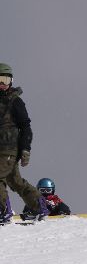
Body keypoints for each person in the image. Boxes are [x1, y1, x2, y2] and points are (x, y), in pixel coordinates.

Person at [0, 63, 48, 225]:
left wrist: (25, 149)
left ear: (11, 81)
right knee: (15, 181)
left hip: (8, 150)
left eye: (5, 80)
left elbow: (25, 127)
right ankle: (39, 206)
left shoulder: (15, 102)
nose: (2, 84)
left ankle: (2, 211)